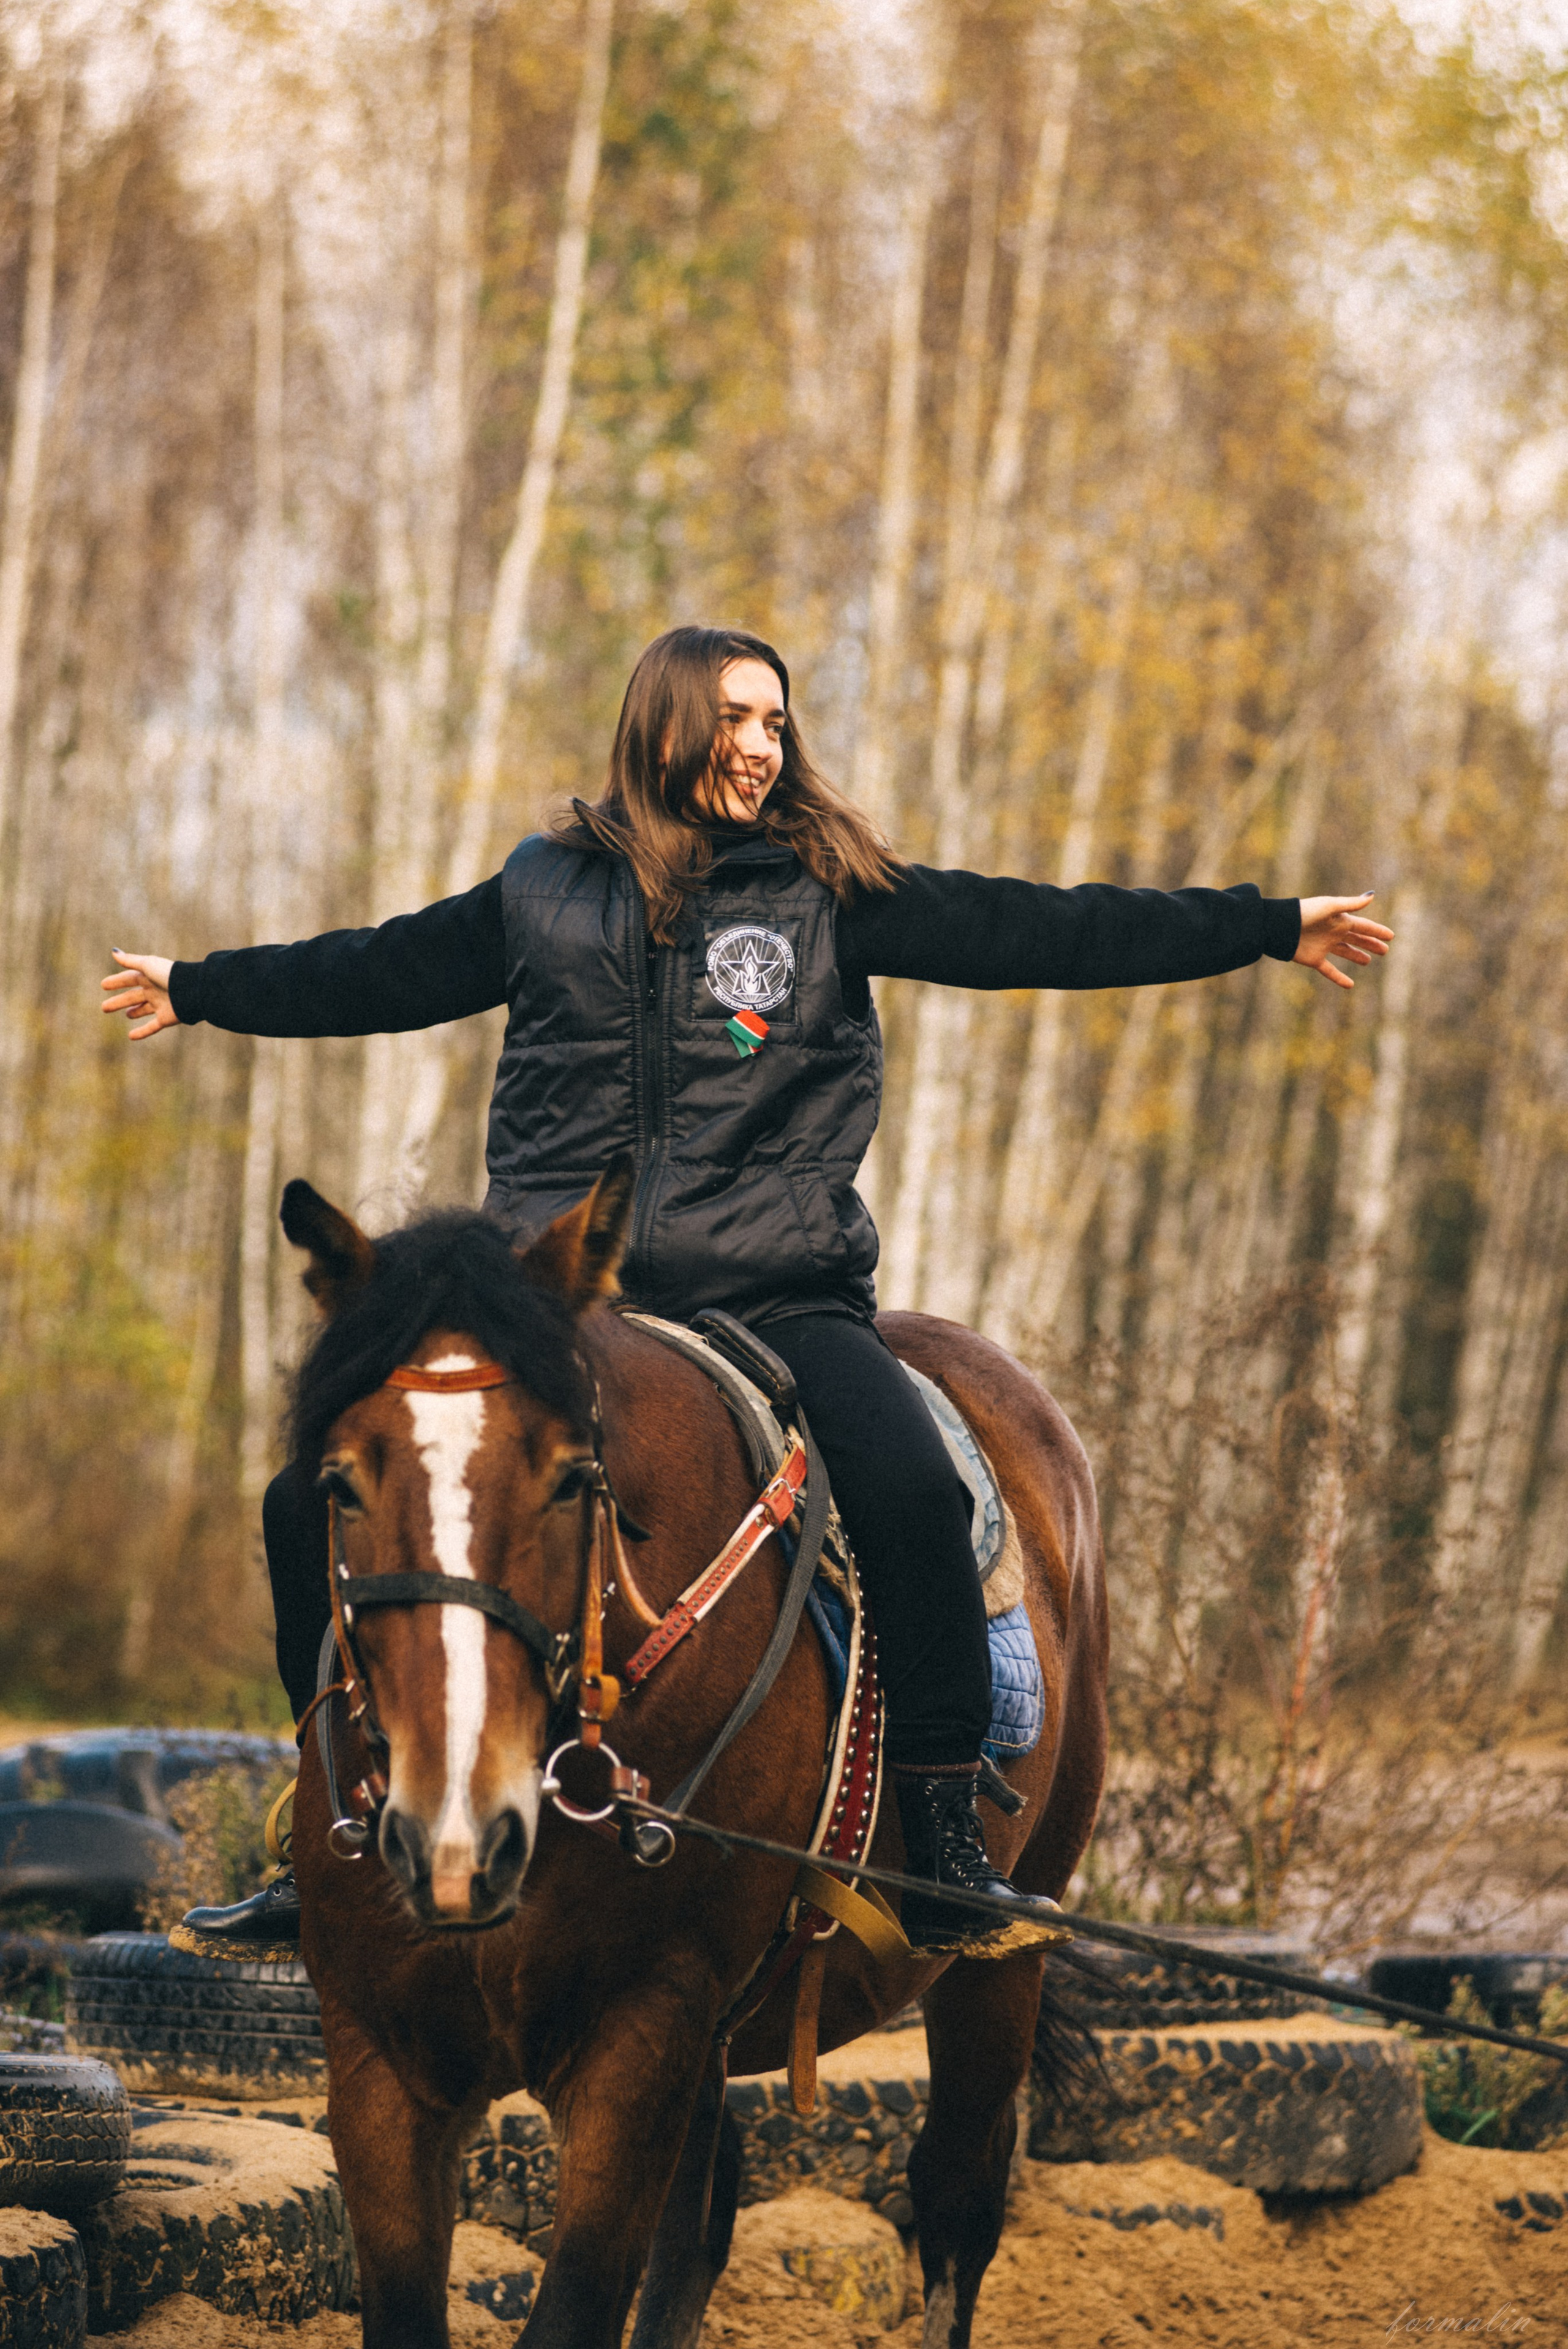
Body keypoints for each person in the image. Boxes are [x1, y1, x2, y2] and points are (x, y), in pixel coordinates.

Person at [101, 623, 1390, 1952]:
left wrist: (1263, 926)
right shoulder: (540, 891)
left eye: (775, 722)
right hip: (562, 1301)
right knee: (300, 1494)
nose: (760, 746)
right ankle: (343, 1814)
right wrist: (199, 989)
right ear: (662, 723)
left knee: (909, 1485)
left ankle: (945, 1824)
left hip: (778, 1291)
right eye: (733, 719)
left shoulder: (833, 891)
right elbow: (371, 968)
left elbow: (1042, 925)